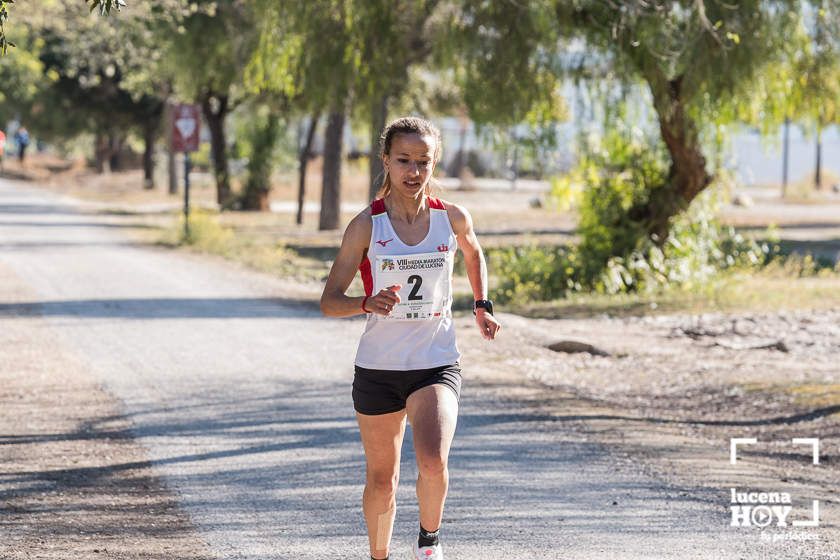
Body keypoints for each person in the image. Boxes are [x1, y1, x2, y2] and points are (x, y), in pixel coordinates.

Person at [320, 116, 501, 560]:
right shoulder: (366, 226)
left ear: (434, 163)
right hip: (379, 368)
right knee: (382, 479)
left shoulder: (452, 217)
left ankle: (429, 542)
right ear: (386, 160)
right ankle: (378, 556)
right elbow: (329, 301)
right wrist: (366, 303)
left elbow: (474, 252)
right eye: (404, 160)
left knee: (433, 461)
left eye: (423, 161)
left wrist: (481, 304)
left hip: (435, 360)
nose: (414, 171)